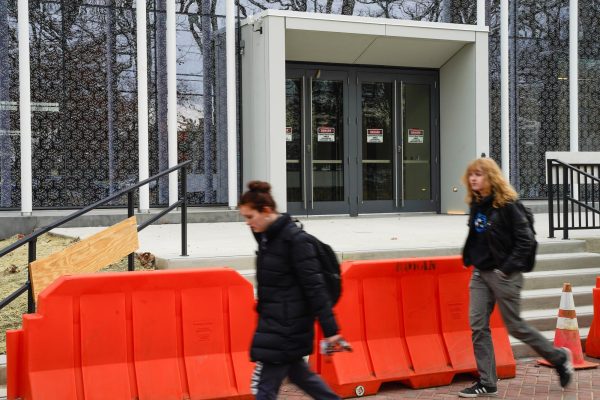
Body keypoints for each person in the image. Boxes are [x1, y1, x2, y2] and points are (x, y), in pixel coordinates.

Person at [459, 157, 574, 398]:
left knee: (515, 326)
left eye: (478, 174)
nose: (473, 178)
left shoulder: (508, 204)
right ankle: (487, 382)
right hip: (480, 273)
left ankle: (559, 357)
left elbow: (527, 240)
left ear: (491, 177)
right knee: (478, 326)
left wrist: (506, 268)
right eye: (471, 174)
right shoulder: (478, 203)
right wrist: (470, 257)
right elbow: (478, 236)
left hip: (504, 274)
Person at [238, 180, 348, 400]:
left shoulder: (295, 241)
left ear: (266, 211)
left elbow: (315, 288)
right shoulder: (269, 240)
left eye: (250, 217)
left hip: (285, 328)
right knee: (301, 376)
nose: (247, 223)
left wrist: (331, 330)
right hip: (277, 324)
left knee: (265, 390)